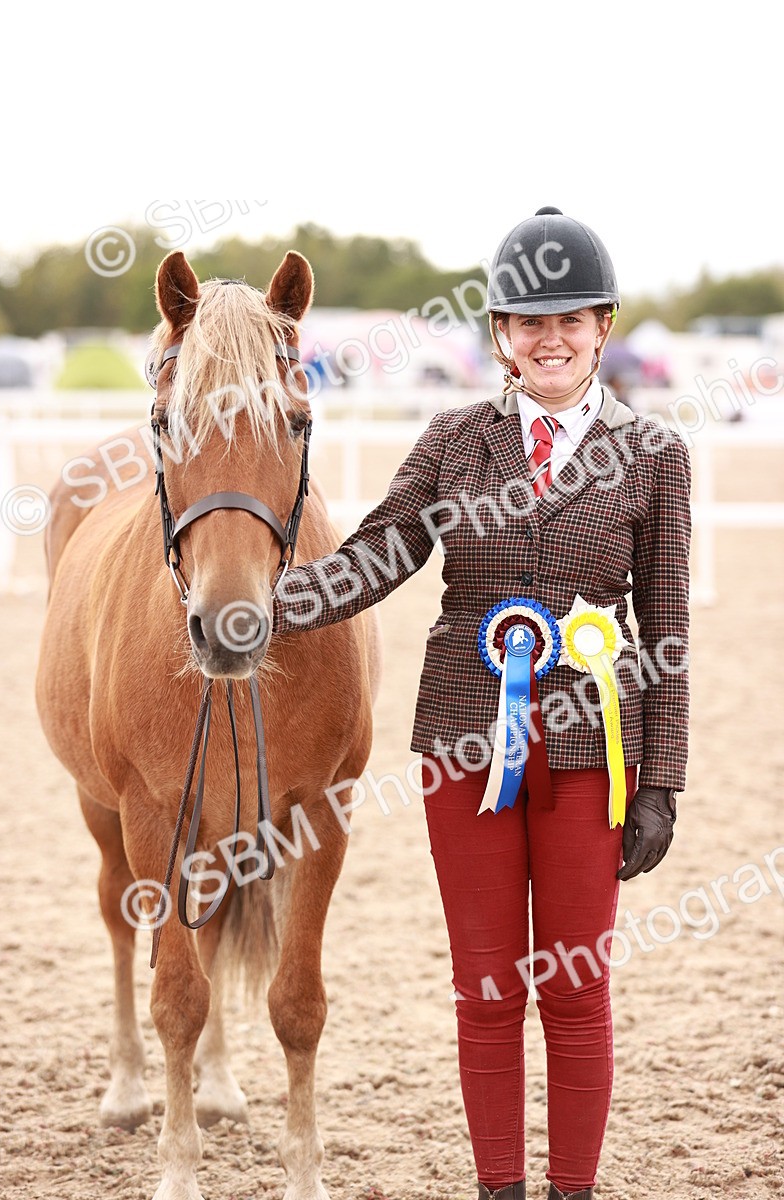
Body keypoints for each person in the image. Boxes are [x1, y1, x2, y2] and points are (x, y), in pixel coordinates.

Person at [272, 207, 690, 1200]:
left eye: (571, 321)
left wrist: (662, 781)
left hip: (594, 755)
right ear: (499, 334)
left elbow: (666, 633)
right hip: (466, 745)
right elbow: (381, 550)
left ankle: (570, 1191)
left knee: (578, 990)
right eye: (528, 323)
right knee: (488, 990)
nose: (550, 339)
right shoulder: (454, 440)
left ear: (601, 326)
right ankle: (499, 1189)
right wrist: (274, 609)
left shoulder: (652, 454)